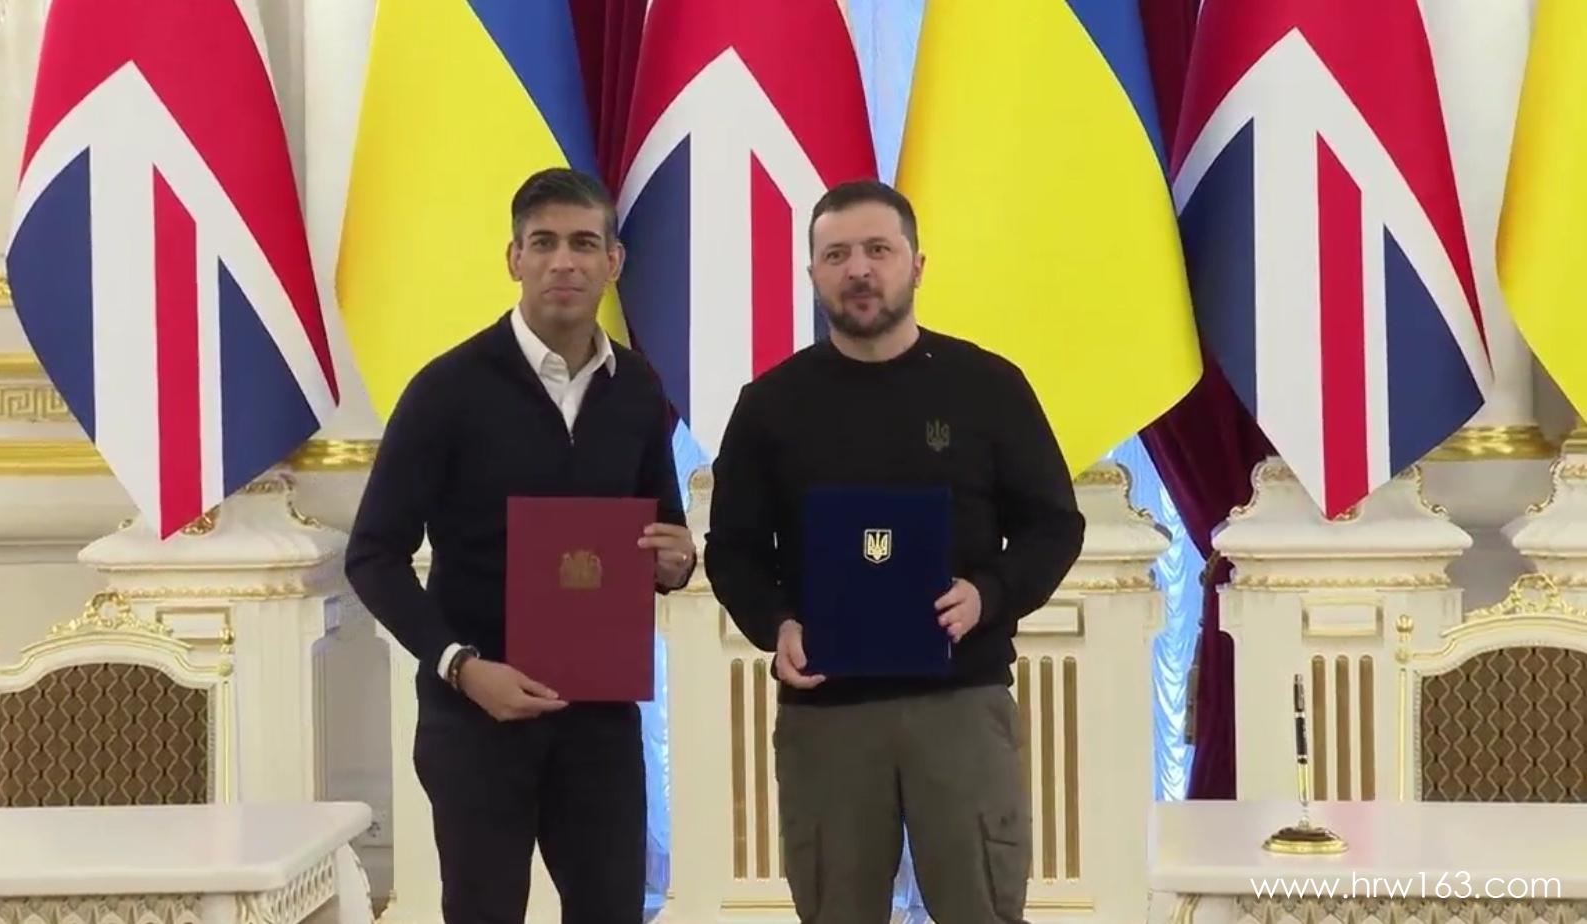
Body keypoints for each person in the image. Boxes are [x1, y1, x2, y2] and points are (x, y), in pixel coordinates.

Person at [703, 179, 1086, 924]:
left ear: (917, 264)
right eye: (836, 254)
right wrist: (776, 626)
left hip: (961, 700)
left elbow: (1053, 526)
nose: (859, 269)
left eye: (878, 250)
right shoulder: (770, 406)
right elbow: (734, 551)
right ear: (812, 274)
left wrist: (987, 594)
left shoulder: (988, 387)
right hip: (827, 714)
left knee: (982, 908)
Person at [345, 167, 697, 924]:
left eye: (583, 243)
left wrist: (677, 562)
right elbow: (372, 554)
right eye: (543, 243)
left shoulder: (639, 388)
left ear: (614, 261)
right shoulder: (446, 390)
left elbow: (661, 531)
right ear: (514, 258)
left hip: (599, 720)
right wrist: (461, 666)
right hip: (476, 716)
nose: (563, 262)